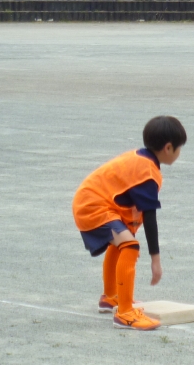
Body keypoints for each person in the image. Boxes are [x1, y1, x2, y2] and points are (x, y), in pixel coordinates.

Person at [72, 116, 187, 330]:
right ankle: (125, 313)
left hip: (90, 201)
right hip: (94, 206)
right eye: (179, 148)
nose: (179, 153)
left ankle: (111, 297)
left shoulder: (140, 158)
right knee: (130, 246)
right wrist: (155, 260)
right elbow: (150, 217)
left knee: (123, 243)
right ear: (168, 148)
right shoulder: (147, 172)